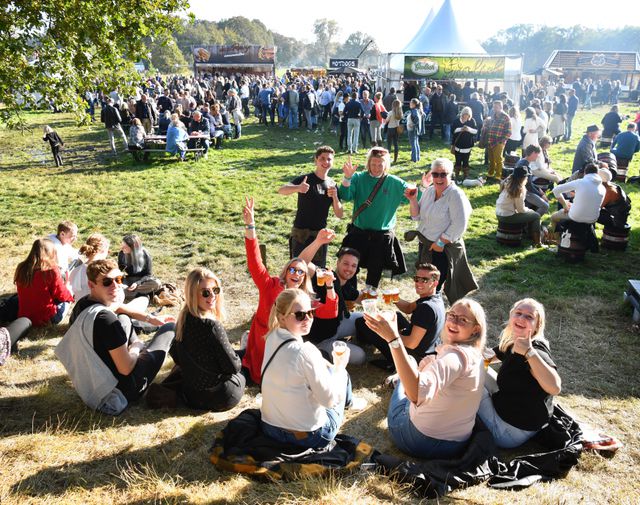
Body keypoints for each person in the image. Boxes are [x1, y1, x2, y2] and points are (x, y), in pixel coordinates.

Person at [363, 298, 486, 458]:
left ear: (475, 329)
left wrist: (393, 339)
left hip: (421, 442)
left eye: (462, 320)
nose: (454, 322)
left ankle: (399, 379)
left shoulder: (455, 357)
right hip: (457, 443)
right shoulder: (475, 354)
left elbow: (416, 394)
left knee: (405, 379)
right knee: (411, 362)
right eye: (452, 315)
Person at [56, 259, 175, 413]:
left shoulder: (83, 304)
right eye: (107, 282)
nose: (115, 285)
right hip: (123, 390)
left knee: (124, 317)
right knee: (170, 329)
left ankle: (134, 347)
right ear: (91, 285)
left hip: (96, 382)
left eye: (118, 279)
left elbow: (118, 306)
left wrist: (150, 318)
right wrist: (136, 348)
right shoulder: (106, 320)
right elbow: (125, 369)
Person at [241, 197, 338, 384]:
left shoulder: (304, 298)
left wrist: (330, 286)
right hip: (263, 346)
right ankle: (246, 346)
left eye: (301, 272)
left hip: (288, 350)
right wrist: (250, 225)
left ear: (304, 278)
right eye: (292, 269)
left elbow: (329, 312)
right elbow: (254, 261)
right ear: (285, 272)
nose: (296, 273)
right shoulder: (270, 286)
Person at [260, 289, 351, 449]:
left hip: (270, 428)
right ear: (282, 317)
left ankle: (349, 401)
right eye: (300, 315)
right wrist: (340, 367)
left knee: (329, 372)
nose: (308, 319)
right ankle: (349, 403)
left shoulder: (272, 337)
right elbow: (329, 401)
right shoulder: (306, 351)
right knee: (341, 375)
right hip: (307, 437)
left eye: (311, 312)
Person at [479, 299, 561, 448]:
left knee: (466, 381)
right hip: (516, 415)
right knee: (476, 368)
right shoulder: (515, 342)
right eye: (518, 313)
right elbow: (485, 357)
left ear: (537, 325)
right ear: (511, 316)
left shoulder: (535, 351)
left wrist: (529, 352)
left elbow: (555, 387)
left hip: (507, 433)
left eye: (529, 316)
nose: (522, 318)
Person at [166, 267, 245, 411]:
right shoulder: (212, 326)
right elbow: (233, 367)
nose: (212, 296)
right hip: (221, 397)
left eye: (215, 290)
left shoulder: (182, 319)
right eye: (205, 293)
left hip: (191, 397)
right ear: (193, 295)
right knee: (244, 371)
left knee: (239, 354)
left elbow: (176, 354)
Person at [406, 158, 477, 302]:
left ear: (451, 175)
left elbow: (460, 224)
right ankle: (426, 308)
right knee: (425, 284)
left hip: (442, 249)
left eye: (443, 174)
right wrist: (412, 200)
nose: (439, 178)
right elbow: (416, 216)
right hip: (426, 245)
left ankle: (430, 310)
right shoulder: (430, 191)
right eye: (435, 174)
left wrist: (440, 243)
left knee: (433, 286)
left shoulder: (456, 195)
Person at [338, 147, 410, 289]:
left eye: (380, 164)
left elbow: (413, 197)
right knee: (350, 265)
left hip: (381, 236)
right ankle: (348, 292)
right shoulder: (358, 178)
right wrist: (347, 177)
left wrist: (423, 186)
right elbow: (345, 196)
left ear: (386, 165)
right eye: (373, 164)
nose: (376, 168)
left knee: (375, 268)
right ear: (368, 163)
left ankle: (369, 294)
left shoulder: (395, 182)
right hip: (359, 232)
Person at [356, 263, 445, 370]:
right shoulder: (435, 297)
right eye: (417, 279)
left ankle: (393, 362)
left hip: (412, 356)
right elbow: (408, 308)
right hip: (427, 346)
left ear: (435, 283)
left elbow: (411, 344)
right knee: (396, 315)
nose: (418, 283)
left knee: (363, 323)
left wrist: (390, 333)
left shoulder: (426, 308)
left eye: (424, 280)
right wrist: (394, 298)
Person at [297, 230, 365, 365]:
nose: (349, 269)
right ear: (338, 263)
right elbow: (301, 263)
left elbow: (359, 297)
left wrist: (373, 296)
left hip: (338, 326)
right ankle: (319, 351)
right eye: (346, 263)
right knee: (360, 357)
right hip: (320, 338)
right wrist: (318, 242)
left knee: (366, 318)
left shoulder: (346, 285)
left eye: (353, 266)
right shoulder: (324, 276)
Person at [277, 146, 343, 267]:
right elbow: (281, 190)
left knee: (318, 272)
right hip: (301, 234)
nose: (326, 162)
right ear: (316, 160)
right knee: (298, 269)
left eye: (329, 159)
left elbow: (340, 214)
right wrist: (298, 188)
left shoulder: (332, 184)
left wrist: (335, 197)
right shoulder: (306, 179)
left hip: (320, 236)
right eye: (322, 158)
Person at [15, 238, 74, 326]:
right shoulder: (51, 270)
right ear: (51, 252)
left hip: (24, 317)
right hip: (47, 319)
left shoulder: (22, 267)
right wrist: (70, 294)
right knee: (67, 298)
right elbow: (61, 294)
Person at [496, 163, 544, 246]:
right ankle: (538, 242)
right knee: (536, 216)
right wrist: (530, 210)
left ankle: (529, 235)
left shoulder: (507, 183)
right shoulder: (520, 189)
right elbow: (521, 209)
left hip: (499, 213)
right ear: (523, 178)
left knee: (530, 215)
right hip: (507, 217)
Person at [551, 162, 606, 230]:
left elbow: (555, 190)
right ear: (597, 173)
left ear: (585, 172)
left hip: (575, 216)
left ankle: (556, 236)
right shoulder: (603, 188)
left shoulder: (580, 182)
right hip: (593, 219)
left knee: (553, 217)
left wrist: (564, 204)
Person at [118, 234, 162, 299]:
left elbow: (148, 275)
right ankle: (142, 293)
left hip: (142, 281)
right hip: (129, 280)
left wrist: (137, 283)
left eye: (125, 247)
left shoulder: (145, 255)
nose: (122, 248)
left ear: (133, 247)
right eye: (122, 246)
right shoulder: (122, 254)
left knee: (156, 283)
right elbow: (120, 269)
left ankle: (128, 293)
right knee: (117, 285)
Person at [69, 233, 110, 300]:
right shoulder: (104, 271)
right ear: (103, 250)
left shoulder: (75, 271)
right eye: (107, 251)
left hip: (81, 305)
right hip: (98, 305)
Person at [483, 101, 511, 180]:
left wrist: (501, 141)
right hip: (490, 140)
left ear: (501, 107)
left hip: (499, 142)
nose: (494, 109)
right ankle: (490, 173)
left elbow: (509, 132)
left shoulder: (506, 117)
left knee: (498, 159)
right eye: (494, 107)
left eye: (496, 107)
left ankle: (498, 175)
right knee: (491, 159)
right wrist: (486, 127)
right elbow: (490, 126)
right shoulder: (493, 116)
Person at [451, 107, 477, 181]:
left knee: (466, 161)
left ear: (469, 115)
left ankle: (466, 175)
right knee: (458, 161)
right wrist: (460, 129)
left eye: (467, 115)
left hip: (467, 145)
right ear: (462, 114)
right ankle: (456, 174)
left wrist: (468, 129)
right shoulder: (456, 121)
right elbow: (452, 131)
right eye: (465, 114)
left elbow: (475, 131)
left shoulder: (472, 121)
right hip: (458, 145)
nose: (466, 116)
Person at [384, 99, 403, 164]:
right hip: (396, 129)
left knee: (389, 144)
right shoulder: (400, 113)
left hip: (390, 129)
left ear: (393, 105)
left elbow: (386, 121)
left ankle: (388, 158)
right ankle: (395, 159)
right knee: (396, 144)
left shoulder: (391, 112)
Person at [406, 98, 424, 163]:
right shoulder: (417, 110)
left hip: (412, 130)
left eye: (411, 102)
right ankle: (417, 157)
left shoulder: (414, 110)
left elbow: (417, 119)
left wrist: (413, 124)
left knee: (413, 144)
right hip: (415, 130)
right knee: (416, 143)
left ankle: (414, 159)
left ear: (414, 104)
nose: (410, 103)